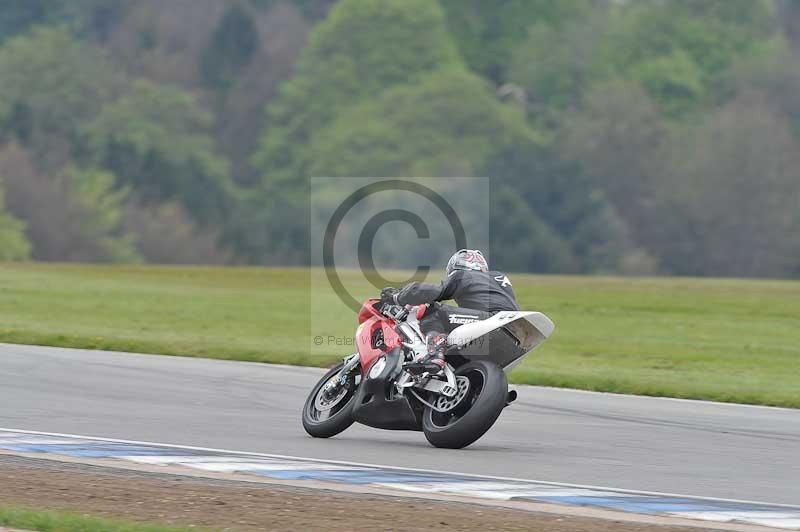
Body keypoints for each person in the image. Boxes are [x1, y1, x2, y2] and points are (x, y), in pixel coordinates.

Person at [380, 249, 519, 372]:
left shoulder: (462, 275)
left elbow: (432, 292)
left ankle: (434, 355)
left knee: (433, 311)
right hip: (514, 330)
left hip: (491, 320)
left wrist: (397, 297)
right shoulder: (498, 277)